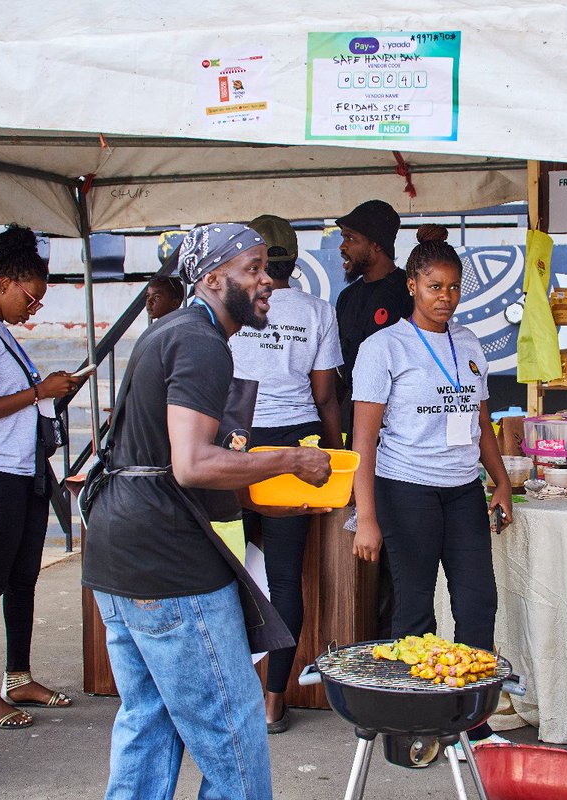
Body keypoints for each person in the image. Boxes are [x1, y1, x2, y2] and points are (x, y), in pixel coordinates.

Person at [82, 223, 332, 800]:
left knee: (148, 727)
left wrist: (259, 489)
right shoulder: (201, 344)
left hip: (119, 556)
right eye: (253, 268)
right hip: (168, 568)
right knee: (235, 739)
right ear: (213, 278)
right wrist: (291, 460)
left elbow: (160, 460)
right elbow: (192, 464)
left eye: (265, 266)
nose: (266, 279)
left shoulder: (168, 332)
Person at [350, 224, 514, 753]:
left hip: (462, 488)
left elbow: (480, 419)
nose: (445, 297)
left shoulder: (468, 344)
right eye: (434, 286)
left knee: (477, 600)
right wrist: (367, 516)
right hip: (406, 489)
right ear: (412, 287)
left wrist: (502, 483)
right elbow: (364, 441)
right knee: (416, 608)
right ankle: (414, 718)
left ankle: (472, 719)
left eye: (453, 287)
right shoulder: (384, 347)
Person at [0, 224, 81, 729]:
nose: (33, 309)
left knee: (24, 577)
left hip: (24, 470)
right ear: (4, 283)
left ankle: (17, 676)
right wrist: (37, 391)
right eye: (31, 298)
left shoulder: (0, 332)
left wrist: (53, 391)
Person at [230, 214, 343, 734]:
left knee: (226, 570)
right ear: (296, 261)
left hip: (235, 441)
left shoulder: (231, 306)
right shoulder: (317, 310)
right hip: (297, 445)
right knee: (283, 576)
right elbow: (325, 395)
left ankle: (229, 691)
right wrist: (336, 455)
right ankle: (275, 699)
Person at [334, 199, 413, 439]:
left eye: (350, 238)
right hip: (357, 420)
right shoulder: (347, 297)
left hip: (402, 425)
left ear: (377, 245)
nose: (341, 246)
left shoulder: (408, 291)